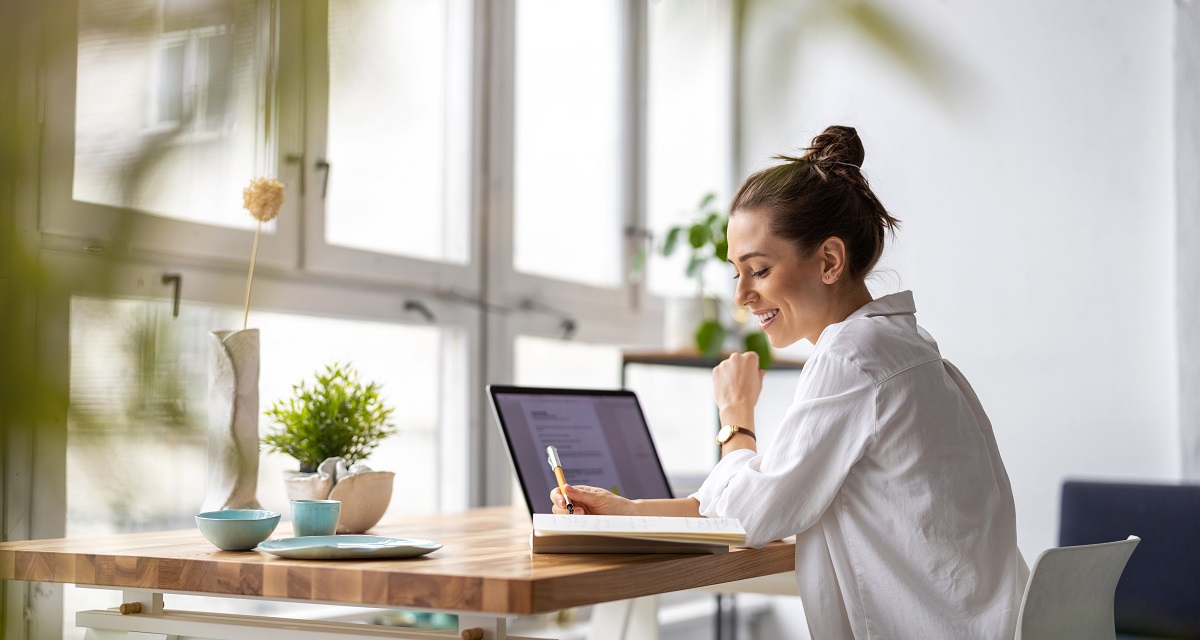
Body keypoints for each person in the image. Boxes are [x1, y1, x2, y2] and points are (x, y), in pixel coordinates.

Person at [551, 125, 1028, 639]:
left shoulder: (852, 357)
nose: (742, 296)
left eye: (758, 270)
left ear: (828, 261)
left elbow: (751, 517)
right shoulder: (904, 348)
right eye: (736, 273)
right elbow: (763, 492)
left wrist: (735, 419)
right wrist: (628, 512)